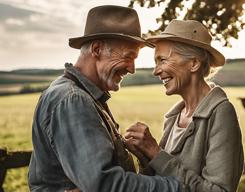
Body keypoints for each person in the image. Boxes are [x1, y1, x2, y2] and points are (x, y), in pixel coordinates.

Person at [28, 6, 187, 192]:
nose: (132, 69)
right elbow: (106, 185)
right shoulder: (73, 100)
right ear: (97, 49)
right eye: (128, 57)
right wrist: (177, 187)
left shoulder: (82, 96)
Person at [125, 20, 244, 192]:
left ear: (194, 63)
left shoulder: (221, 113)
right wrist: (146, 157)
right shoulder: (174, 117)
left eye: (162, 60)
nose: (156, 71)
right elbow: (162, 182)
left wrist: (157, 154)